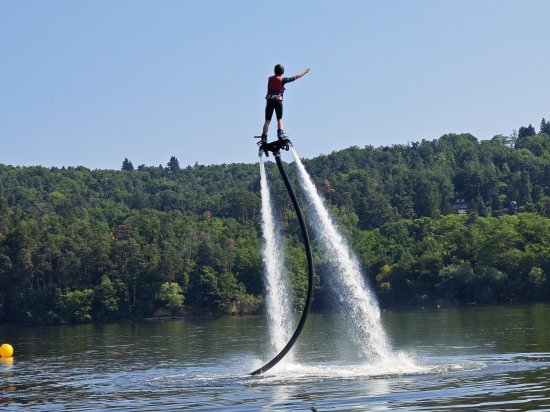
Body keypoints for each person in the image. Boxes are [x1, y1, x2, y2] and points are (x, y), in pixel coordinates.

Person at [259, 64, 310, 144]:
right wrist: (304, 72)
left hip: (269, 101)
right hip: (278, 101)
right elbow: (295, 77)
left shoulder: (270, 78)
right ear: (282, 71)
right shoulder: (283, 80)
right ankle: (280, 134)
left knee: (267, 121)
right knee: (279, 119)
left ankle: (264, 137)